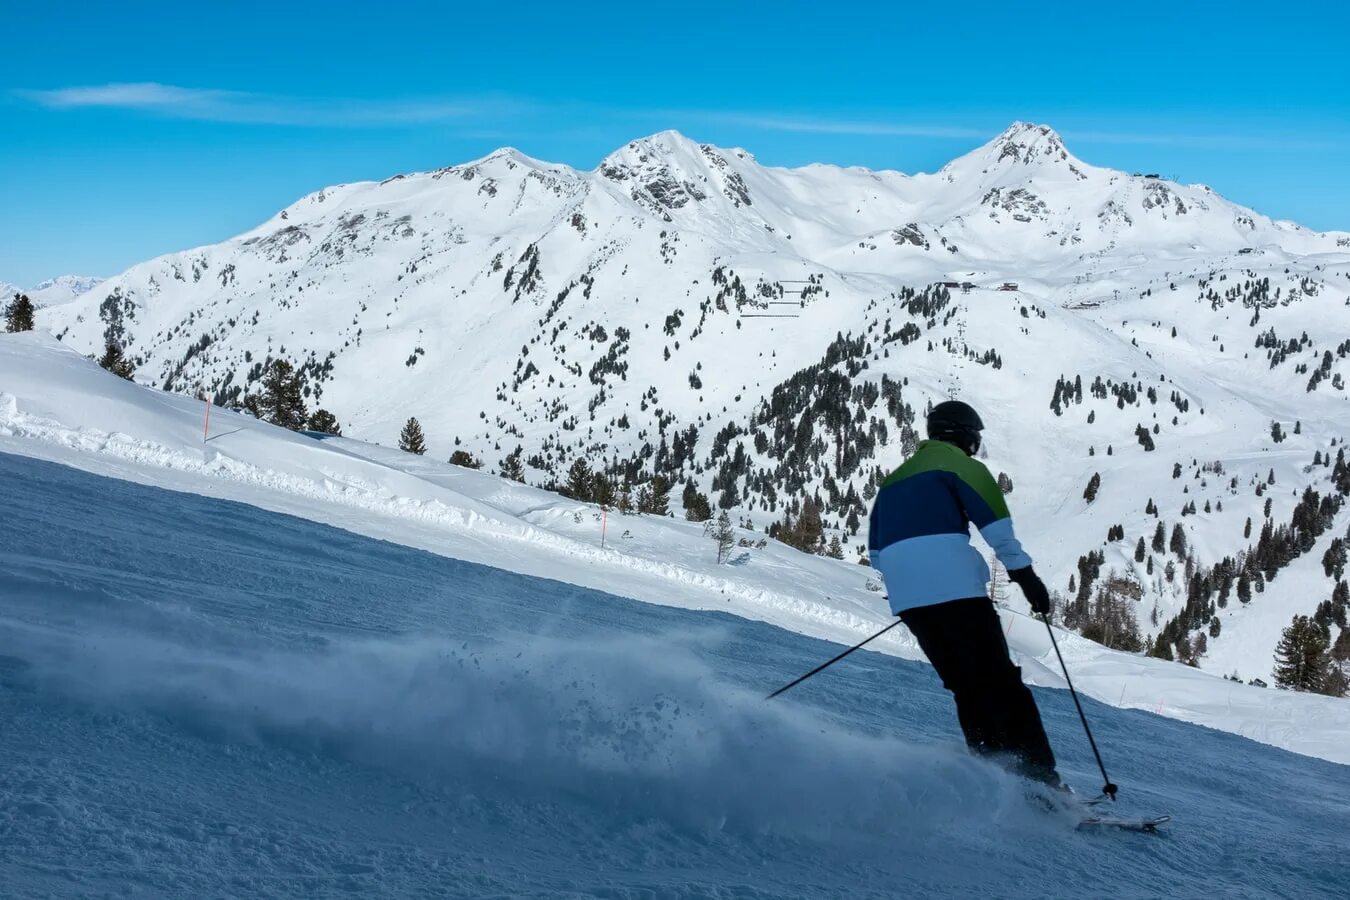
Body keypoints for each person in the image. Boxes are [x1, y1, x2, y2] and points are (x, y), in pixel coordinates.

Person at [867, 399, 1063, 788]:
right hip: (956, 592)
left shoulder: (891, 482)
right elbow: (998, 530)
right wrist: (1028, 580)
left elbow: (875, 553)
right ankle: (1040, 782)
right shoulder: (964, 468)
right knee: (1001, 684)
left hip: (909, 599)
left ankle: (991, 774)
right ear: (966, 436)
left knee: (966, 686)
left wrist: (915, 586)